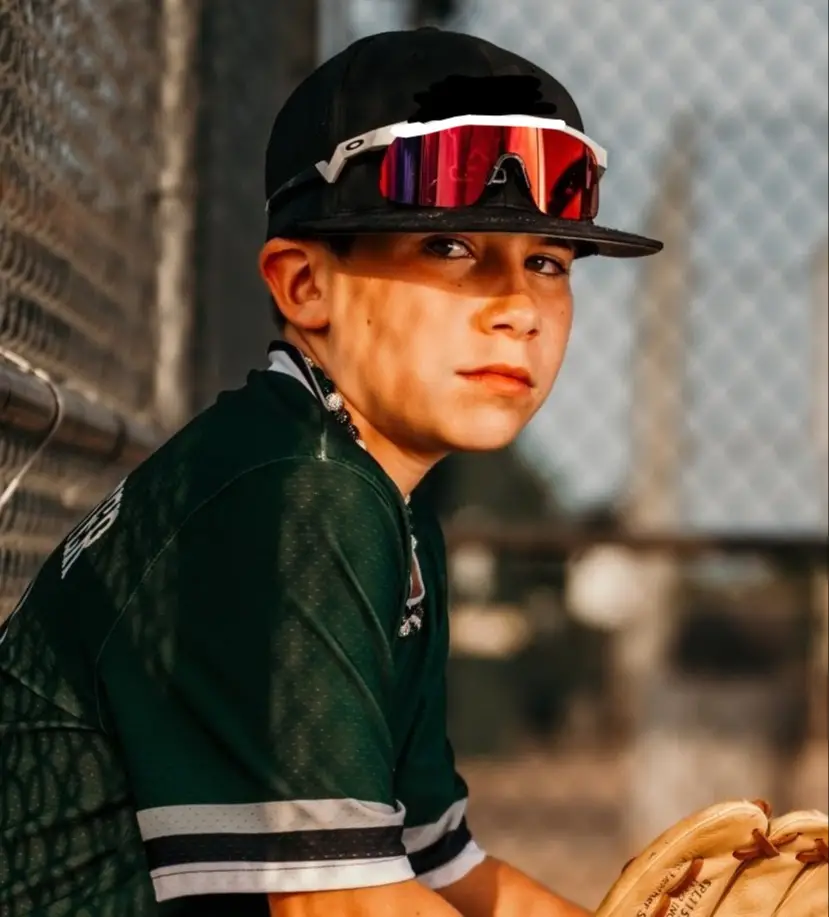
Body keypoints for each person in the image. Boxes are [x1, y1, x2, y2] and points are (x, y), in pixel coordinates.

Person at [0, 26, 662, 917]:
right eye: (450, 247)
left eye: (545, 261)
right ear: (305, 285)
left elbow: (444, 869)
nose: (518, 308)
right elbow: (344, 906)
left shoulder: (382, 503)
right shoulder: (291, 490)